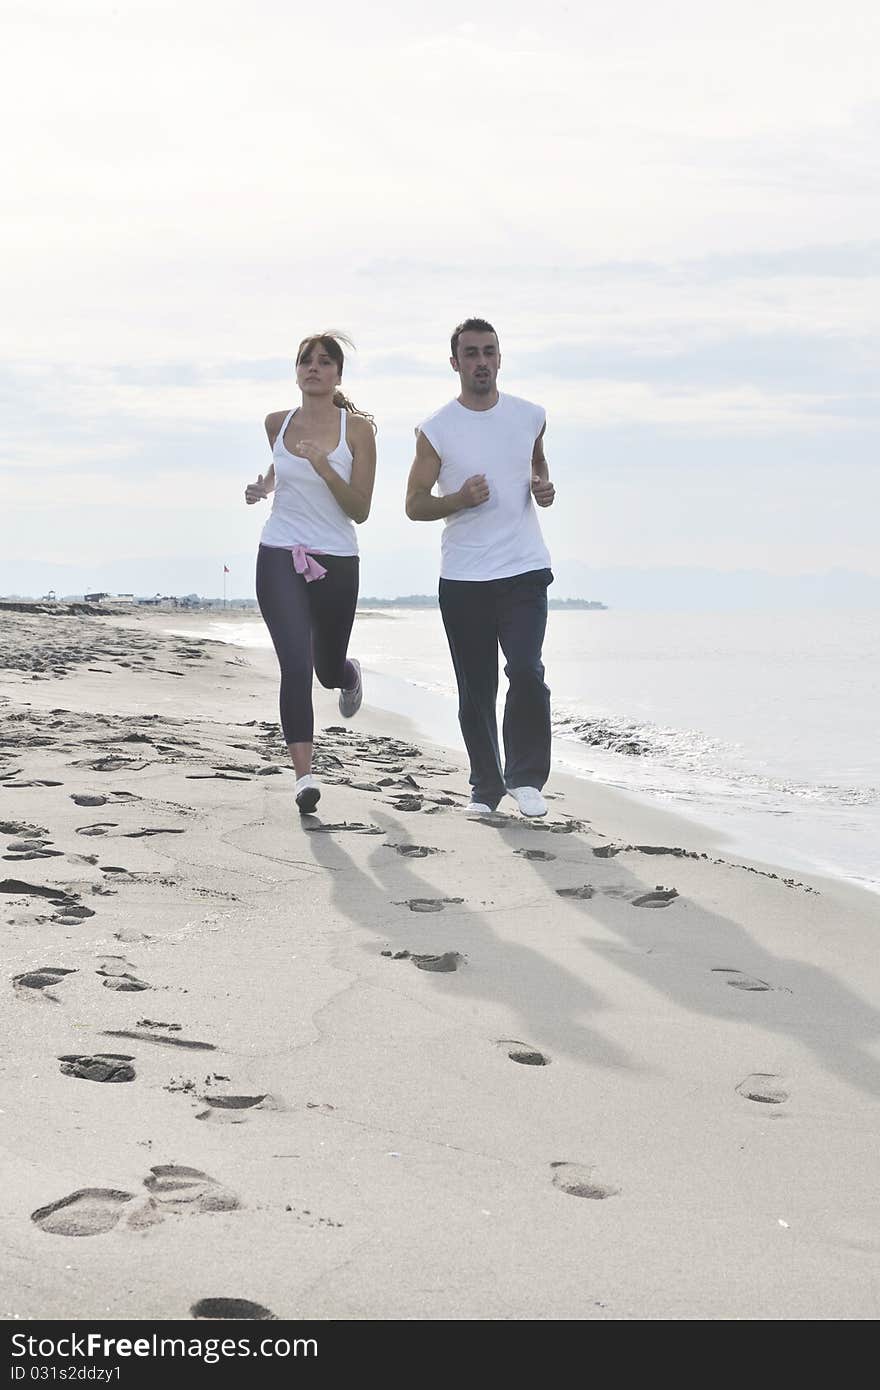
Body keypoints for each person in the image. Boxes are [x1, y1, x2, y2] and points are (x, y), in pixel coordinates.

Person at [405, 317, 556, 817]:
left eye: (489, 352)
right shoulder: (436, 428)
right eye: (471, 353)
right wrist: (460, 499)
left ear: (500, 359)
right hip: (465, 577)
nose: (481, 361)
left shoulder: (530, 415)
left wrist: (543, 487)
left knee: (527, 672)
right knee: (476, 689)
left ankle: (527, 778)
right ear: (455, 363)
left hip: (524, 569)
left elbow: (537, 465)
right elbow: (414, 504)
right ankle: (486, 789)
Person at [245, 333, 376, 815]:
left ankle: (348, 674)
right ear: (296, 371)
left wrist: (324, 466)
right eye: (306, 361)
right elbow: (282, 463)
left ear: (338, 375)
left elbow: (359, 509)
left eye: (325, 362)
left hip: (337, 558)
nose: (314, 368)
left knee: (325, 669)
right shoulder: (276, 423)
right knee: (296, 665)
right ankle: (304, 777)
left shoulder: (358, 431)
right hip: (280, 552)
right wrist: (265, 485)